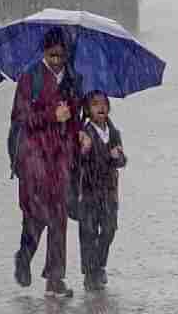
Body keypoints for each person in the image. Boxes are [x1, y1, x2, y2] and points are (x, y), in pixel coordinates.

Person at [10, 29, 81, 299]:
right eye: (52, 55)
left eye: (61, 56)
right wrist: (52, 114)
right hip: (34, 157)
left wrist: (79, 135)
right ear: (44, 52)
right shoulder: (30, 78)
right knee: (37, 214)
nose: (56, 61)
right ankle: (24, 257)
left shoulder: (73, 78)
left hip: (62, 157)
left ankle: (55, 278)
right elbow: (20, 116)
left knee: (59, 218)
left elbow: (75, 116)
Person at [75, 91, 126, 292]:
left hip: (109, 191)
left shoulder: (113, 133)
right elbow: (77, 162)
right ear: (87, 110)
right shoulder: (84, 133)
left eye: (104, 103)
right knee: (88, 232)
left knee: (109, 229)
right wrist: (84, 150)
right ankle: (90, 273)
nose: (101, 108)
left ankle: (99, 265)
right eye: (95, 104)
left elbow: (121, 161)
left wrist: (118, 156)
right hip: (88, 191)